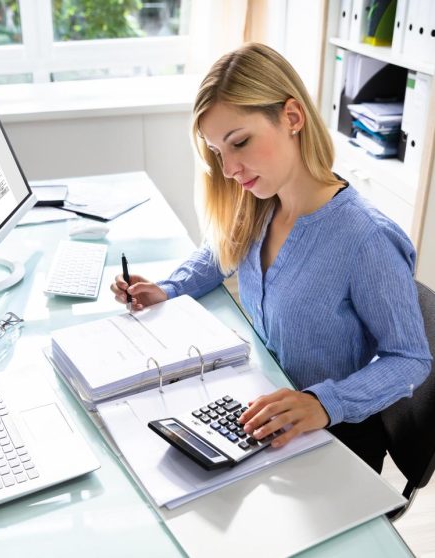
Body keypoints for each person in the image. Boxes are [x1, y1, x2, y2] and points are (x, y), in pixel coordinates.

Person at [110, 43, 432, 473]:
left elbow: (410, 359)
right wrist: (167, 289)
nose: (228, 169)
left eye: (239, 142)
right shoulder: (262, 203)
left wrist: (322, 403)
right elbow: (218, 254)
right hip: (263, 413)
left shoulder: (365, 239)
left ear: (292, 118)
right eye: (217, 152)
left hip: (330, 438)